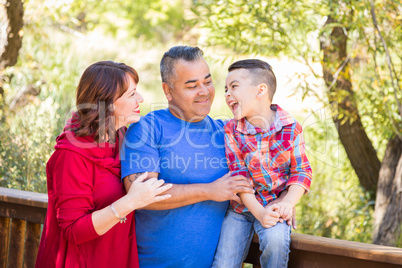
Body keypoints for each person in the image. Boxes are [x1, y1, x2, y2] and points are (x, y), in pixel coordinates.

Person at [121, 46, 257, 268]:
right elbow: (141, 193)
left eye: (208, 81)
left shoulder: (226, 133)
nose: (203, 91)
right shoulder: (147, 128)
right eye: (192, 86)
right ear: (168, 91)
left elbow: (266, 173)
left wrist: (284, 203)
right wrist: (210, 190)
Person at [35, 61, 172, 268]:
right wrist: (129, 202)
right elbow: (73, 230)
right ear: (107, 103)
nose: (141, 99)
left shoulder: (122, 138)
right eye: (132, 94)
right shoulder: (71, 155)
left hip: (117, 256)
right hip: (81, 261)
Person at [212, 59, 313, 268]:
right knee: (223, 264)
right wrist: (259, 213)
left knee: (276, 243)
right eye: (226, 89)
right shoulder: (232, 130)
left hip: (275, 205)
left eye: (234, 87)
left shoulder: (290, 128)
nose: (227, 94)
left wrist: (287, 203)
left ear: (260, 90)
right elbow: (239, 178)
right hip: (241, 209)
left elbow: (301, 171)